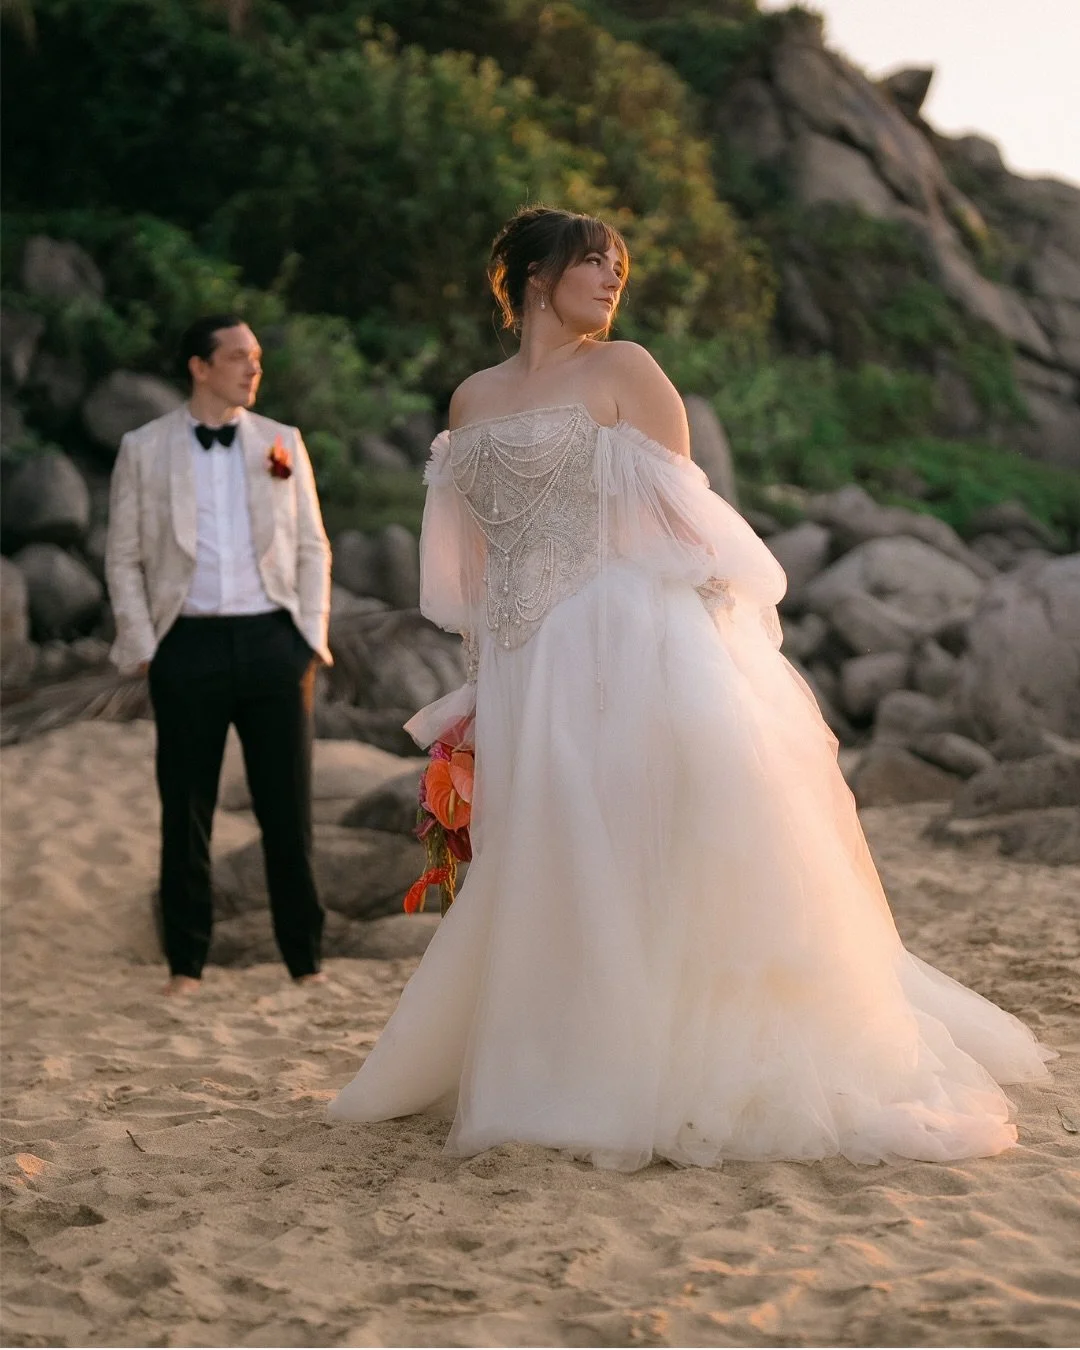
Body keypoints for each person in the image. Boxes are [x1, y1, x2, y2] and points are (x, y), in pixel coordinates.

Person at [329, 207, 1053, 1170]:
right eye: (591, 261)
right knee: (549, 848)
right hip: (521, 658)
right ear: (534, 277)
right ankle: (558, 1057)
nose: (610, 277)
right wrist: (481, 688)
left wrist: (712, 649)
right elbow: (474, 568)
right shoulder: (469, 402)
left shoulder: (627, 369)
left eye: (619, 264)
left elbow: (691, 522)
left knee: (652, 842)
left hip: (631, 639)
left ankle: (661, 1065)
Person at [105, 315, 332, 997]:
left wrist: (307, 641)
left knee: (288, 813)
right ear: (199, 367)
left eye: (257, 358)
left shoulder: (282, 442)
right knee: (186, 810)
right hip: (187, 647)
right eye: (237, 358)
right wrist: (149, 650)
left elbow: (313, 546)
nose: (252, 369)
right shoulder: (143, 449)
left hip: (273, 643)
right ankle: (186, 968)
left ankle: (306, 964)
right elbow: (123, 558)